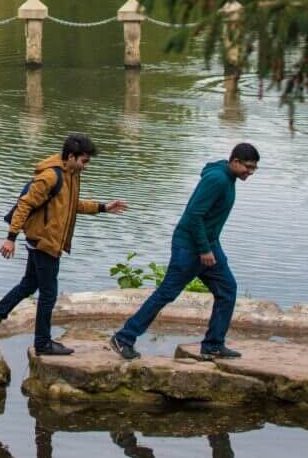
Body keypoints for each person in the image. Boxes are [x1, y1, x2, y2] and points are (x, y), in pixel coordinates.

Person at [0, 133, 128, 357]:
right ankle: (43, 343)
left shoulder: (71, 174)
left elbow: (70, 204)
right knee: (48, 294)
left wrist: (104, 207)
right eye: (84, 161)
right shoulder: (50, 176)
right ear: (70, 157)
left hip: (47, 240)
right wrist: (10, 238)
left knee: (29, 285)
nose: (86, 166)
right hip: (43, 242)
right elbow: (24, 204)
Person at [110, 143, 259, 361]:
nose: (250, 172)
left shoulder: (226, 175)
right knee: (166, 293)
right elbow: (194, 215)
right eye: (248, 167)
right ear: (235, 162)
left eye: (254, 168)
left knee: (227, 289)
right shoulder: (217, 179)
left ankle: (213, 345)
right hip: (191, 247)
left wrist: (208, 247)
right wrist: (204, 249)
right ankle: (123, 338)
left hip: (208, 244)